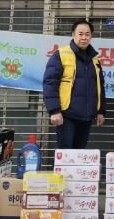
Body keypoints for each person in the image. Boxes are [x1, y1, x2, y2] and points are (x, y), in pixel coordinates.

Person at [43, 19, 106, 149]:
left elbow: (99, 86)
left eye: (87, 34)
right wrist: (54, 110)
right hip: (66, 115)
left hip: (87, 116)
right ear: (73, 34)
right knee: (65, 154)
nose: (84, 37)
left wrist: (101, 111)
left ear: (91, 36)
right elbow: (50, 83)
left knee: (80, 154)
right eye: (80, 34)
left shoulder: (95, 59)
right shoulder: (61, 54)